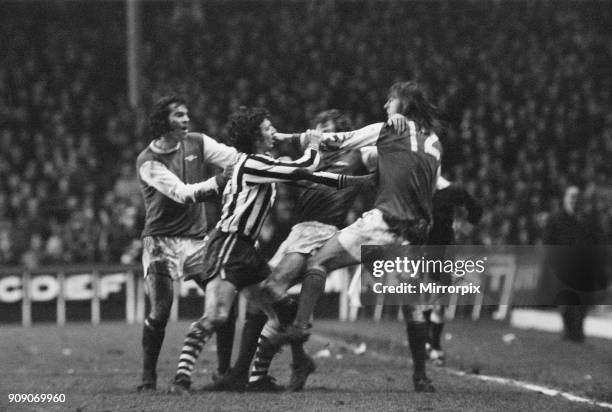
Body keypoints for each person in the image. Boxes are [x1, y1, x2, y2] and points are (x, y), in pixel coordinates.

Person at [169, 107, 371, 394]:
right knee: (218, 315)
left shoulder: (262, 163)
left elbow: (313, 177)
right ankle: (182, 379)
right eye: (267, 127)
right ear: (255, 136)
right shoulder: (252, 164)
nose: (272, 130)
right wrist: (312, 144)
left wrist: (359, 181)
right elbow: (305, 169)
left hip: (248, 251)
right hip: (229, 245)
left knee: (283, 309)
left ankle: (263, 374)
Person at [212, 109, 409, 392]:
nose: (320, 133)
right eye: (317, 128)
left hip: (321, 231)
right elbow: (277, 168)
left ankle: (258, 372)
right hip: (298, 231)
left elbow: (389, 151)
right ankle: (264, 369)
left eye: (326, 128)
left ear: (340, 132)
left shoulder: (358, 155)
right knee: (259, 300)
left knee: (273, 288)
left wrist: (396, 128)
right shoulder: (310, 161)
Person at [271, 81, 444, 393]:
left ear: (403, 104)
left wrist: (289, 137)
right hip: (416, 233)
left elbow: (339, 141)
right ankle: (421, 377)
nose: (384, 106)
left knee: (319, 261)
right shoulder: (434, 141)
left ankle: (299, 328)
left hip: (382, 224)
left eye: (390, 100)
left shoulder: (389, 130)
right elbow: (428, 188)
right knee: (413, 306)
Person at [135, 95, 239, 392]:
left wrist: (261, 163)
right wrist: (221, 182)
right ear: (162, 121)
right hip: (160, 243)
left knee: (225, 300)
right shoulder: (148, 161)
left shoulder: (197, 142)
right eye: (179, 115)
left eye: (187, 114)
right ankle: (148, 376)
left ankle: (223, 372)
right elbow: (182, 194)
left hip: (197, 241)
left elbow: (233, 158)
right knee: (161, 310)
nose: (186, 119)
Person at [543, 185, 607, 342]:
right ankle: (569, 330)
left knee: (583, 301)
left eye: (577, 197)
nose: (574, 200)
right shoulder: (555, 219)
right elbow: (548, 242)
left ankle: (577, 332)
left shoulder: (586, 219)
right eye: (571, 196)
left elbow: (597, 239)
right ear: (565, 198)